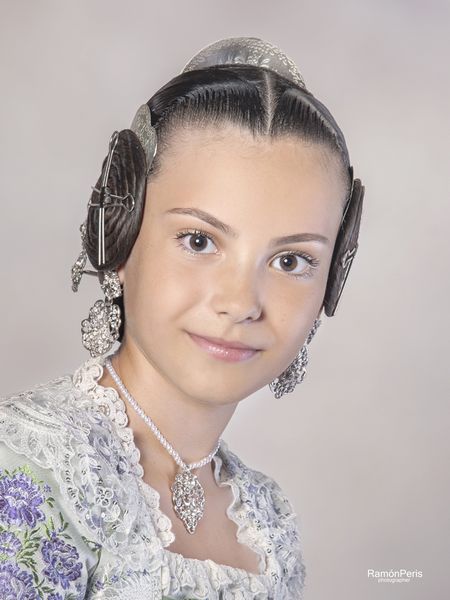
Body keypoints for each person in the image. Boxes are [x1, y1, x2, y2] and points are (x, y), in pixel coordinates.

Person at [0, 36, 364, 599]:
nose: (240, 302)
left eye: (291, 261)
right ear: (119, 238)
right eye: (199, 240)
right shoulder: (26, 473)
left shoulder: (267, 521)